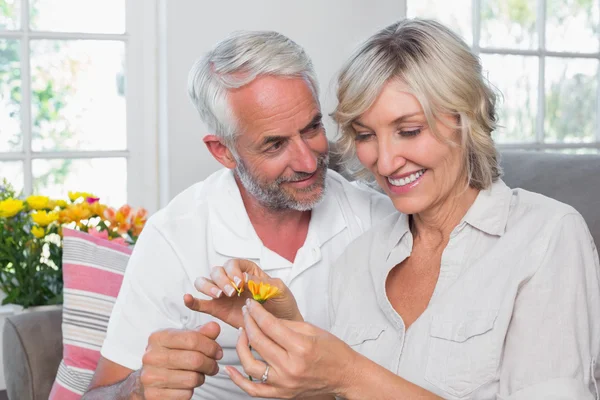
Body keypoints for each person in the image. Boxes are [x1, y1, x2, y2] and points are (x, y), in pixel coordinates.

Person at [198, 19, 600, 399]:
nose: (385, 163)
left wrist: (349, 372)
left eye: (409, 131)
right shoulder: (359, 257)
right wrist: (287, 333)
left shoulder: (547, 237)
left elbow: (353, 379)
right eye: (367, 135)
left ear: (465, 115)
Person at [80, 30, 395, 400]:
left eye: (312, 128)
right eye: (275, 145)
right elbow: (97, 394)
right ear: (223, 152)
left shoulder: (379, 219)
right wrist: (137, 389)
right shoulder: (174, 235)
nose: (308, 161)